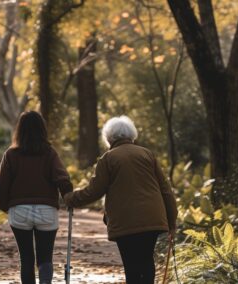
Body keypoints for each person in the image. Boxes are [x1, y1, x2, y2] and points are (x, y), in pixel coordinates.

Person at [64, 115, 178, 284]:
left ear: (109, 138)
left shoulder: (108, 159)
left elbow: (94, 191)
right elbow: (165, 190)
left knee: (131, 265)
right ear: (131, 135)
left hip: (126, 221)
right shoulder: (147, 154)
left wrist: (70, 198)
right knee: (146, 261)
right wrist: (172, 221)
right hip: (152, 217)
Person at [0, 111, 72, 284]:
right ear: (42, 130)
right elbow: (62, 178)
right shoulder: (50, 153)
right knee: (45, 258)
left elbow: (1, 184)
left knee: (26, 259)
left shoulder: (11, 155)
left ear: (19, 130)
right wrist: (69, 195)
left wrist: (6, 206)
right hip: (46, 211)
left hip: (19, 211)